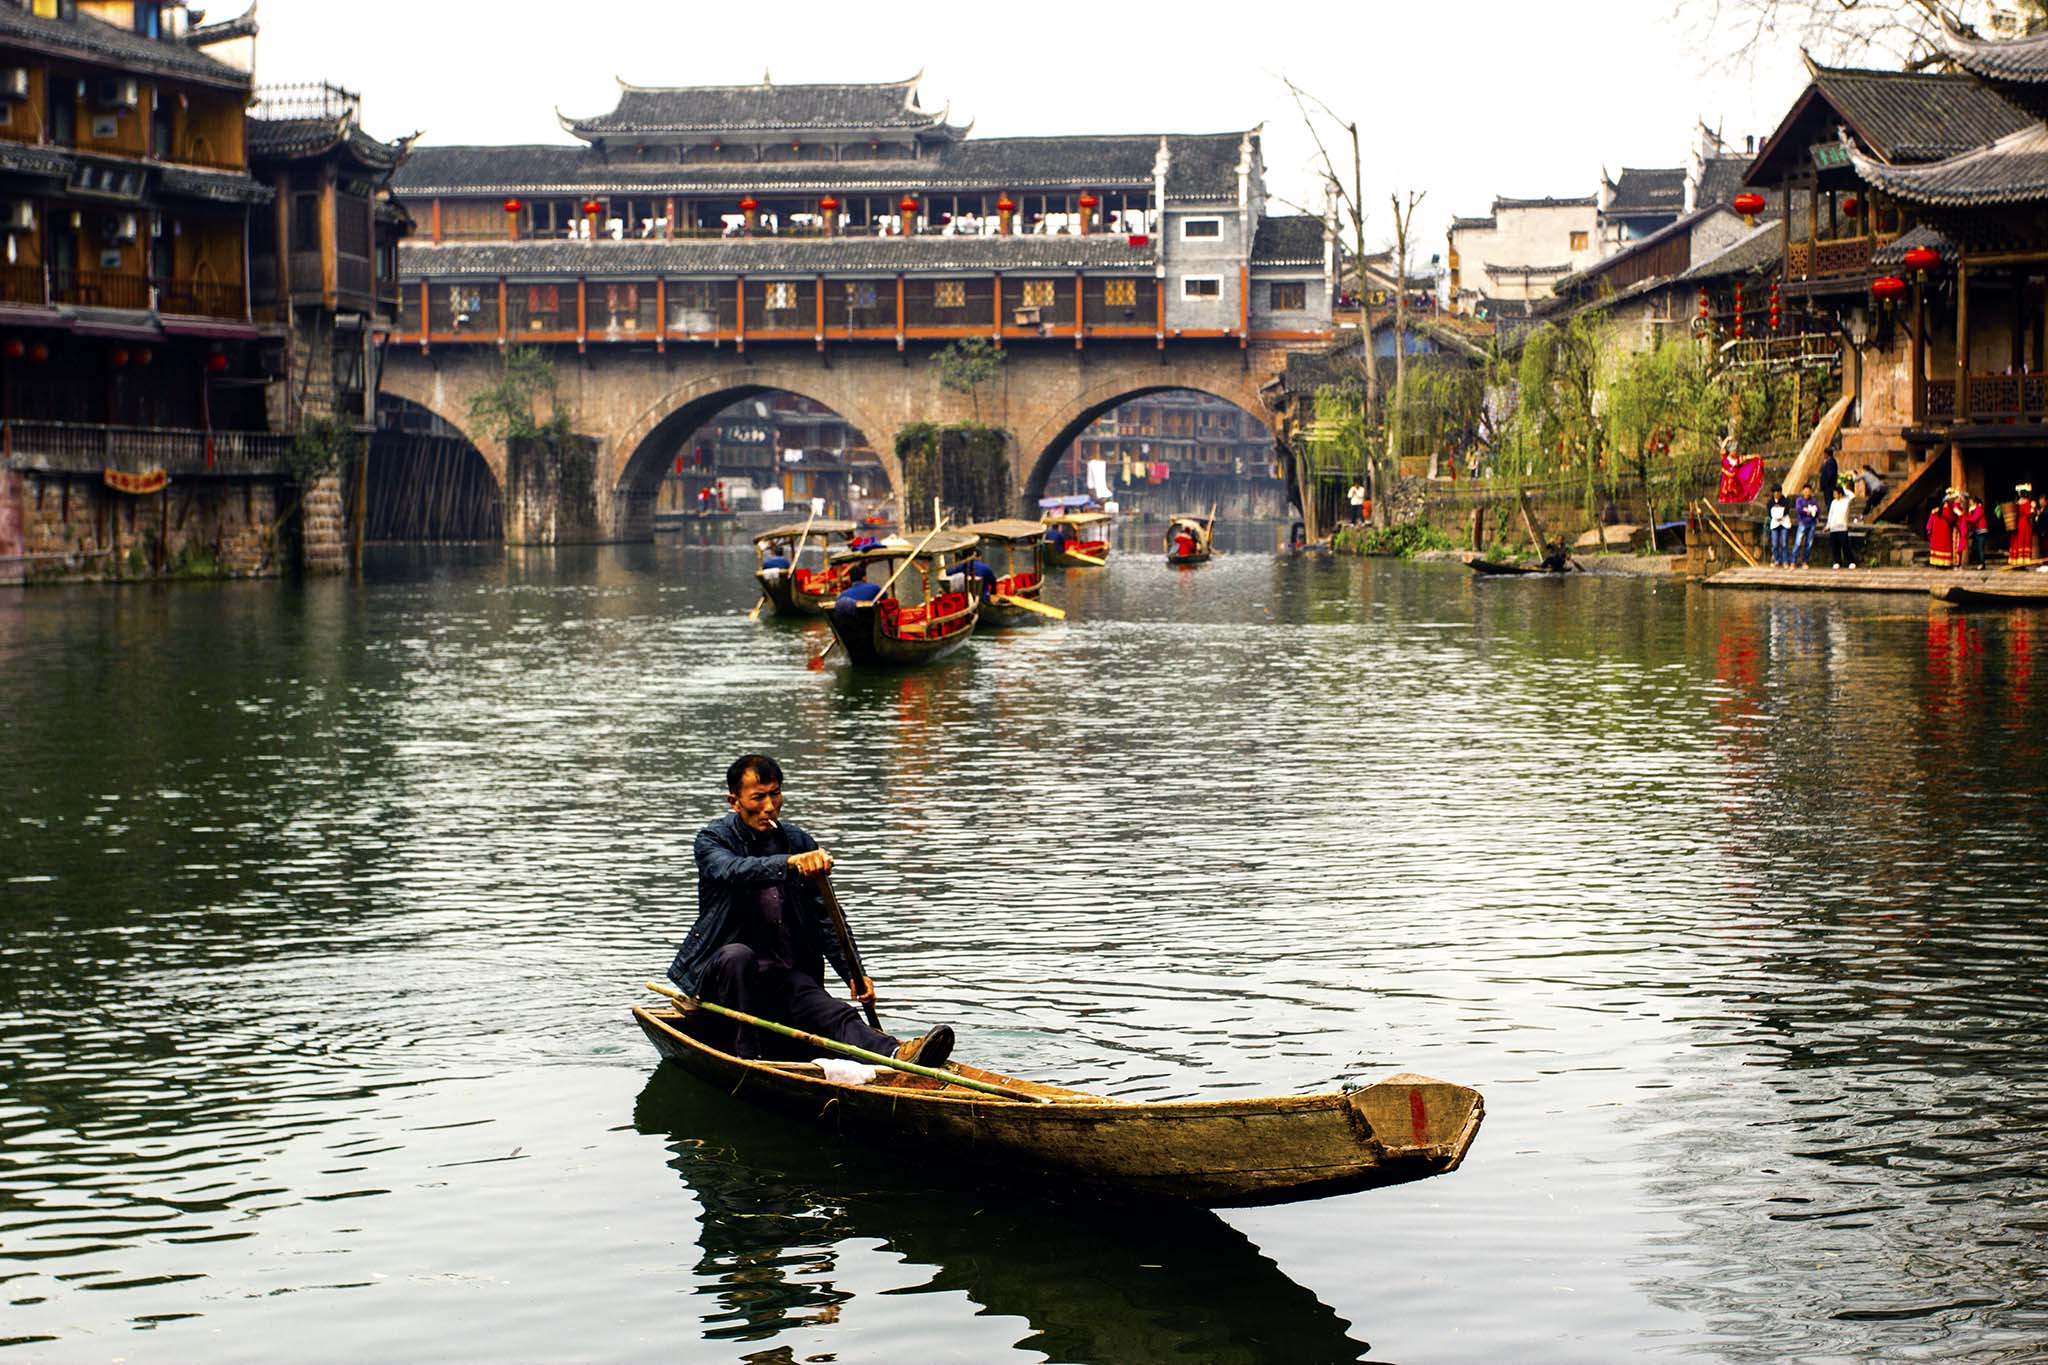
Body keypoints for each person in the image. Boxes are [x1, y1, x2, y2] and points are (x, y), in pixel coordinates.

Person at [666, 755, 954, 1067]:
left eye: (775, 794)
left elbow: (826, 918)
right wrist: (790, 863)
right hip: (724, 978)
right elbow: (732, 870)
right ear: (734, 801)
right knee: (738, 956)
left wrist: (853, 973)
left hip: (780, 974)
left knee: (833, 1012)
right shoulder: (713, 840)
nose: (769, 806)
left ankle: (897, 1054)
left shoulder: (798, 841)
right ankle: (749, 1060)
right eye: (758, 797)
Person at [1926, 490, 1963, 569]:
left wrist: (1929, 529)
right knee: (1944, 546)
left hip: (1937, 530)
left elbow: (1930, 521)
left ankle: (1937, 564)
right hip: (1944, 530)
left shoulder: (1936, 511)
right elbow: (1952, 518)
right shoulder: (1947, 511)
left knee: (1938, 546)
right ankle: (1944, 564)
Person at [1826, 482, 1855, 568]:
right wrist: (1828, 526)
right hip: (1833, 527)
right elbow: (1830, 514)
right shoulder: (1833, 502)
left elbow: (1852, 495)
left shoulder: (1846, 501)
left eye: (1835, 493)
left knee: (1845, 545)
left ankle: (1851, 561)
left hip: (1842, 527)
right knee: (1835, 546)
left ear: (1840, 493)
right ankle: (1837, 562)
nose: (1834, 495)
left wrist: (1842, 488)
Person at [2014, 483, 2042, 568]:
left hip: (2018, 523)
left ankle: (2018, 561)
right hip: (2025, 524)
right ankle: (2023, 562)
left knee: (2019, 541)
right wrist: (2033, 508)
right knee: (2024, 541)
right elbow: (2028, 513)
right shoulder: (2027, 502)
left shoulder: (2017, 502)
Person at [1792, 484, 1819, 568]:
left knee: (1809, 544)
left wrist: (1811, 512)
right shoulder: (1799, 500)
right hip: (1802, 523)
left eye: (1808, 491)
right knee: (1798, 542)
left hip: (1812, 523)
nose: (1807, 493)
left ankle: (1805, 561)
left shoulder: (1813, 501)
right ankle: (1793, 561)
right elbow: (1799, 509)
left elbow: (1817, 510)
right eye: (1805, 491)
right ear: (1803, 491)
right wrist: (1807, 511)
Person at [1965, 494, 1990, 569]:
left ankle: (1982, 564)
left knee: (1980, 548)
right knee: (1975, 547)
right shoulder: (1974, 509)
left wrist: (1963, 516)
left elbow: (1973, 519)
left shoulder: (1979, 508)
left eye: (1971, 502)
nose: (1970, 504)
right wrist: (1969, 512)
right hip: (1976, 531)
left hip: (1981, 531)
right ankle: (1979, 563)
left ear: (1975, 502)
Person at [1768, 493, 1791, 567]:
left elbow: (1787, 510)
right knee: (1775, 544)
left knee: (1784, 543)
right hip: (1775, 524)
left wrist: (1780, 514)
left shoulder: (1785, 501)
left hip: (1784, 523)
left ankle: (1785, 560)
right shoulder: (1770, 502)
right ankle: (1777, 559)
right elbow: (1769, 512)